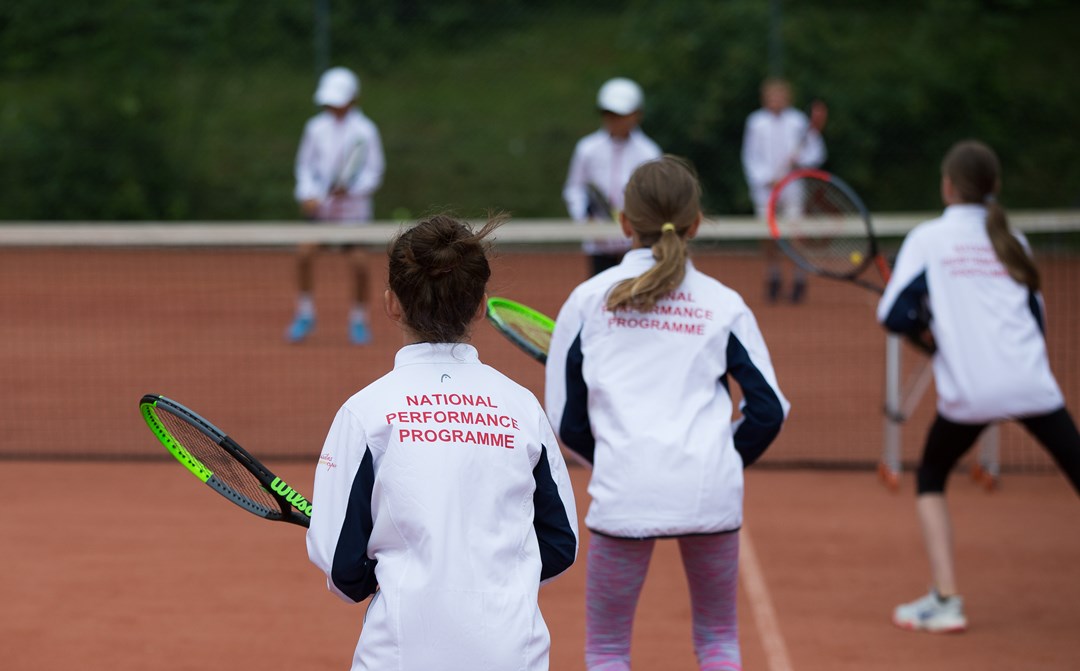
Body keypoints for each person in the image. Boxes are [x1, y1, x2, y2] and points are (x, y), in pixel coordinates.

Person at [546, 156, 790, 670]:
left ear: (623, 224)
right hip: (710, 488)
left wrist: (612, 457)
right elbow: (767, 411)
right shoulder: (724, 304)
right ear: (696, 223)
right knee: (719, 640)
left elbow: (567, 421)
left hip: (625, 488)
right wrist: (720, 457)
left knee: (608, 650)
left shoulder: (588, 301)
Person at [306, 214, 579, 671]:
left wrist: (394, 575)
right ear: (479, 307)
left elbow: (343, 569)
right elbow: (559, 542)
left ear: (392, 304)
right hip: (512, 653)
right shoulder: (522, 407)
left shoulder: (365, 412)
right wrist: (496, 578)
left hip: (399, 654)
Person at [878, 140, 1080, 634]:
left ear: (947, 186)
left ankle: (946, 600)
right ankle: (943, 599)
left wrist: (930, 334)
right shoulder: (1013, 237)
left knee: (931, 478)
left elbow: (892, 315)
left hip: (972, 393)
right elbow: (1035, 317)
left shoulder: (929, 238)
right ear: (995, 187)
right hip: (1034, 383)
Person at [286, 66, 386, 345]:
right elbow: (304, 166)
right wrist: (306, 194)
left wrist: (351, 189)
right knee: (304, 254)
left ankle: (358, 319)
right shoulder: (315, 128)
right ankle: (305, 314)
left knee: (359, 263)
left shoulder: (366, 131)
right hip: (321, 213)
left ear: (353, 100)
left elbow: (374, 172)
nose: (334, 107)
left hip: (353, 215)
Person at [563, 77, 662, 277]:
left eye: (620, 114)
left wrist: (640, 226)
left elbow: (656, 196)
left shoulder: (650, 152)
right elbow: (574, 188)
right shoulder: (587, 149)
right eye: (608, 114)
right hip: (599, 244)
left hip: (637, 245)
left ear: (637, 115)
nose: (614, 120)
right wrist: (584, 216)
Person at [741, 77, 827, 303]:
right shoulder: (755, 122)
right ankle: (773, 276)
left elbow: (816, 153)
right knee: (767, 233)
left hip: (793, 186)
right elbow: (750, 156)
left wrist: (800, 161)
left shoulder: (798, 121)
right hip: (765, 189)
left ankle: (799, 278)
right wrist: (765, 178)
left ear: (788, 97)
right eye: (772, 96)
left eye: (780, 95)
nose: (776, 100)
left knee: (796, 232)